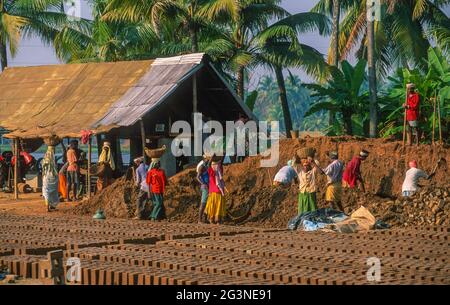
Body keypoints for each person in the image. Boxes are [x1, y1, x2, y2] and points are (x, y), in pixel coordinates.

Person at [204, 159, 226, 224]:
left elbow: (220, 163)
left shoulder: (218, 170)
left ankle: (217, 220)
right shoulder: (211, 172)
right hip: (213, 192)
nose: (214, 166)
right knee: (212, 207)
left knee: (217, 207)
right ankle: (212, 219)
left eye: (215, 164)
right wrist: (212, 158)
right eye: (213, 165)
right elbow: (208, 165)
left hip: (218, 192)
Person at [41, 145, 59, 211]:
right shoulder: (53, 160)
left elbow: (43, 169)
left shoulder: (44, 160)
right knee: (53, 192)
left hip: (46, 177)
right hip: (53, 177)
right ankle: (52, 205)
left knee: (46, 191)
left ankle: (48, 206)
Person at [196, 155, 210, 223]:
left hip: (208, 186)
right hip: (205, 187)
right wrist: (203, 183)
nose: (209, 160)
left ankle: (205, 219)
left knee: (207, 203)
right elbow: (198, 177)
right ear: (204, 159)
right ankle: (199, 220)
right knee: (203, 203)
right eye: (208, 159)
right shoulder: (202, 167)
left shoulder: (206, 165)